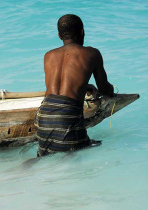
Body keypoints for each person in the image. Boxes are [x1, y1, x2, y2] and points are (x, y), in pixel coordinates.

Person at [36, 14, 114, 157]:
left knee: (44, 157)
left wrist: (84, 86)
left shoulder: (48, 55)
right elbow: (104, 89)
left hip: (44, 117)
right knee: (83, 157)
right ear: (82, 32)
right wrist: (111, 91)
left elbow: (61, 89)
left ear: (59, 36)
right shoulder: (92, 53)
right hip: (67, 117)